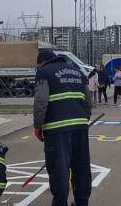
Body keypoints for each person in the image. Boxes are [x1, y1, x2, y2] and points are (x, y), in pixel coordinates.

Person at [33, 50, 93, 206]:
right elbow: (88, 101)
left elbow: (41, 101)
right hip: (80, 127)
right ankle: (82, 202)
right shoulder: (78, 72)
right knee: (81, 167)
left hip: (57, 129)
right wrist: (83, 119)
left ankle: (60, 203)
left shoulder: (44, 72)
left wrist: (38, 125)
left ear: (42, 62)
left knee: (59, 169)